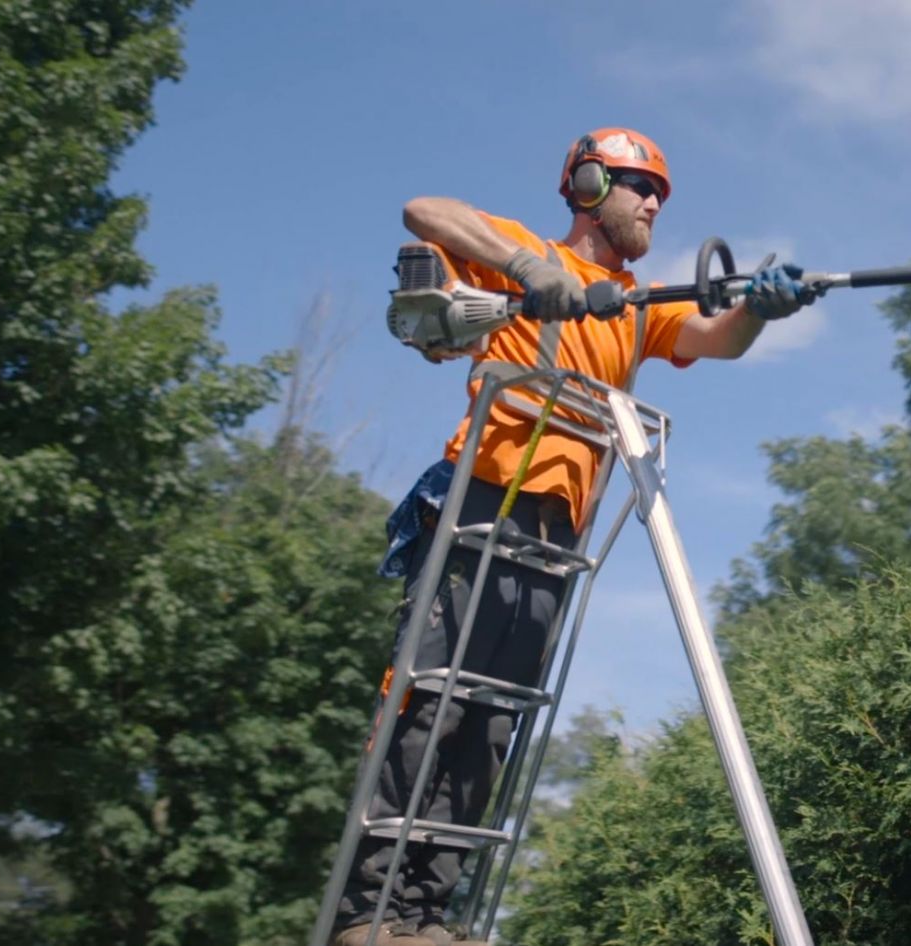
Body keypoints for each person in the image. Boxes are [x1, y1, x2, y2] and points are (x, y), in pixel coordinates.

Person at [331, 128, 819, 946]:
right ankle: (370, 913)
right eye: (640, 186)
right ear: (589, 186)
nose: (656, 203)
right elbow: (425, 210)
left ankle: (424, 917)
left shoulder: (637, 303)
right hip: (484, 499)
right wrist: (530, 272)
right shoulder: (518, 253)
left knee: (490, 724)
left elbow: (715, 339)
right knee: (437, 704)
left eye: (661, 192)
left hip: (556, 536)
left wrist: (758, 312)